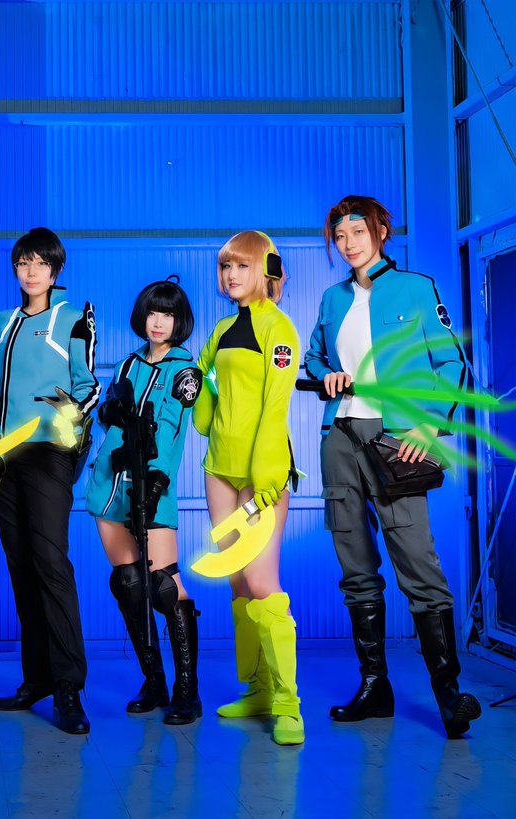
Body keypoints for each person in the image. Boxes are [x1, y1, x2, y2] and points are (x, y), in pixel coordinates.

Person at [304, 195, 480, 738]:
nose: (348, 243)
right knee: (355, 567)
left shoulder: (416, 288)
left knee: (418, 565)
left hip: (396, 441)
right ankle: (375, 687)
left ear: (381, 231)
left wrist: (427, 428)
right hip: (340, 439)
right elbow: (314, 356)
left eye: (358, 231)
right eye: (339, 235)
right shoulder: (333, 299)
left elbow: (454, 363)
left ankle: (448, 695)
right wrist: (326, 375)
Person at [0, 227, 100, 735]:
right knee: (22, 567)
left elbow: (89, 387)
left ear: (56, 270)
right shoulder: (2, 322)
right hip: (5, 458)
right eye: (23, 263)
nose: (31, 272)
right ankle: (36, 679)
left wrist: (65, 423)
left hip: (49, 453)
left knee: (52, 563)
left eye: (40, 264)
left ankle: (69, 686)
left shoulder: (74, 317)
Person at [192, 230, 304, 746]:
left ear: (266, 270)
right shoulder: (220, 329)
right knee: (238, 583)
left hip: (264, 470)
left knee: (262, 583)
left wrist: (267, 475)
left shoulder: (279, 329)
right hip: (220, 466)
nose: (231, 275)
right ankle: (257, 691)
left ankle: (288, 704)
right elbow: (203, 391)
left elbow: (275, 407)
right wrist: (197, 385)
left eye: (242, 265)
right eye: (225, 267)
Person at [84, 276, 203, 725]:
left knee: (165, 586)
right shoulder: (128, 364)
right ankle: (153, 682)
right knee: (128, 583)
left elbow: (172, 431)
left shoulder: (184, 371)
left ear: (179, 321)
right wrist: (107, 411)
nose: (158, 322)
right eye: (153, 312)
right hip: (109, 486)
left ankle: (187, 690)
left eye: (168, 315)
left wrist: (155, 485)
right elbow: (108, 417)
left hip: (151, 485)